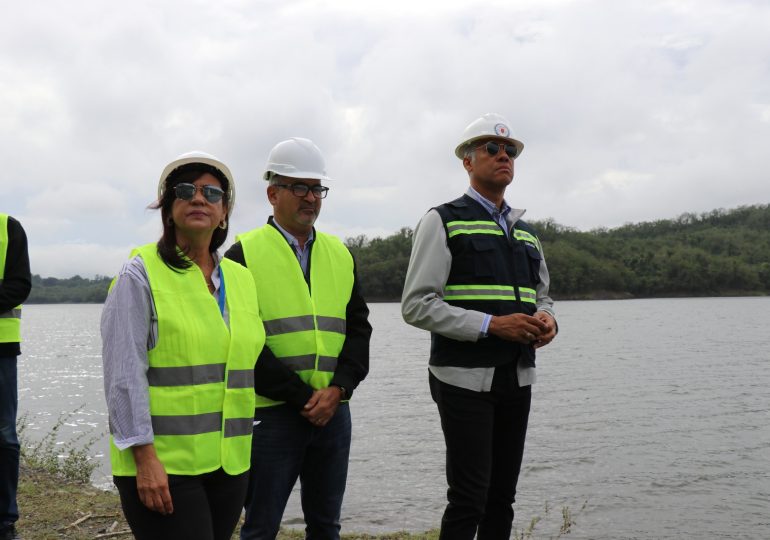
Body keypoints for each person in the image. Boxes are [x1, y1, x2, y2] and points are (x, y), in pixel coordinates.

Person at [401, 113, 558, 540]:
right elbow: (416, 305)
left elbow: (542, 294)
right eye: (492, 148)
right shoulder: (443, 219)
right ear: (467, 162)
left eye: (510, 151)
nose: (503, 155)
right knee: (469, 496)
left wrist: (548, 320)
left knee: (502, 498)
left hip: (518, 376)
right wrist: (492, 325)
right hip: (463, 380)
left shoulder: (527, 233)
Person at [101, 151, 266, 540]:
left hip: (229, 464)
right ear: (168, 208)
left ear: (224, 212)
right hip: (164, 467)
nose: (199, 199)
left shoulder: (241, 280)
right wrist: (145, 458)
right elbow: (123, 376)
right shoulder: (139, 274)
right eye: (186, 190)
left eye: (212, 193)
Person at [224, 137, 371, 540]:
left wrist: (340, 387)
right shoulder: (242, 255)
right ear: (273, 193)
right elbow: (242, 342)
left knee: (326, 526)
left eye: (317, 188)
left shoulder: (341, 254)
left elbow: (359, 329)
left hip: (333, 413)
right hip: (271, 416)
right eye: (299, 187)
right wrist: (304, 397)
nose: (311, 198)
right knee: (260, 527)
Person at [0, 214, 31, 540]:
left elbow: (19, 286)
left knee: (4, 437)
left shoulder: (8, 228)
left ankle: (5, 522)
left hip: (1, 351)